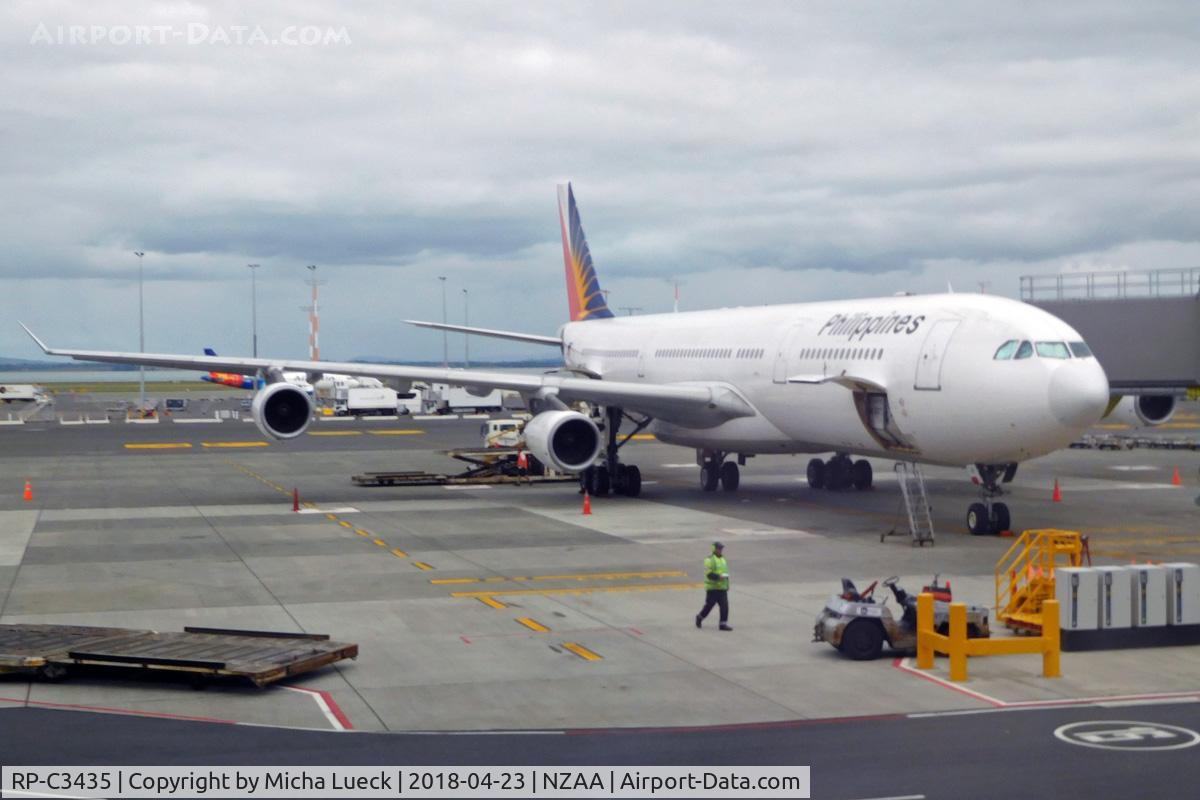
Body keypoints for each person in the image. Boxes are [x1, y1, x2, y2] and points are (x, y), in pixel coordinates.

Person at [695, 541, 731, 631]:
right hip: (712, 588)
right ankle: (700, 617)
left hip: (722, 588)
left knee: (724, 606)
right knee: (709, 605)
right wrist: (719, 577)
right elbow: (708, 574)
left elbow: (725, 573)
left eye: (721, 549)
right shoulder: (709, 560)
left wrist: (727, 585)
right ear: (714, 549)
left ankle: (723, 624)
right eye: (719, 548)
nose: (720, 550)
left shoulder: (723, 559)